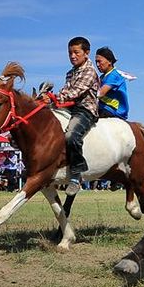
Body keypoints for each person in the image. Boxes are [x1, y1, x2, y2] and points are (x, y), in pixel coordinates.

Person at [41, 36, 100, 195]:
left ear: (86, 53)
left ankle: (76, 176)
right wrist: (48, 100)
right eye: (70, 53)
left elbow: (75, 92)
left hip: (85, 110)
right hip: (71, 109)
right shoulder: (70, 73)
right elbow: (65, 91)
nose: (72, 56)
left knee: (71, 136)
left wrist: (55, 98)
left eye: (76, 52)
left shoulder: (90, 71)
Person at [94, 46, 129, 119]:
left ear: (110, 61)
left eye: (99, 61)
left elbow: (100, 93)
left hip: (112, 110)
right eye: (96, 62)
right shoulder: (102, 77)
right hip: (103, 107)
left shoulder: (114, 75)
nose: (97, 65)